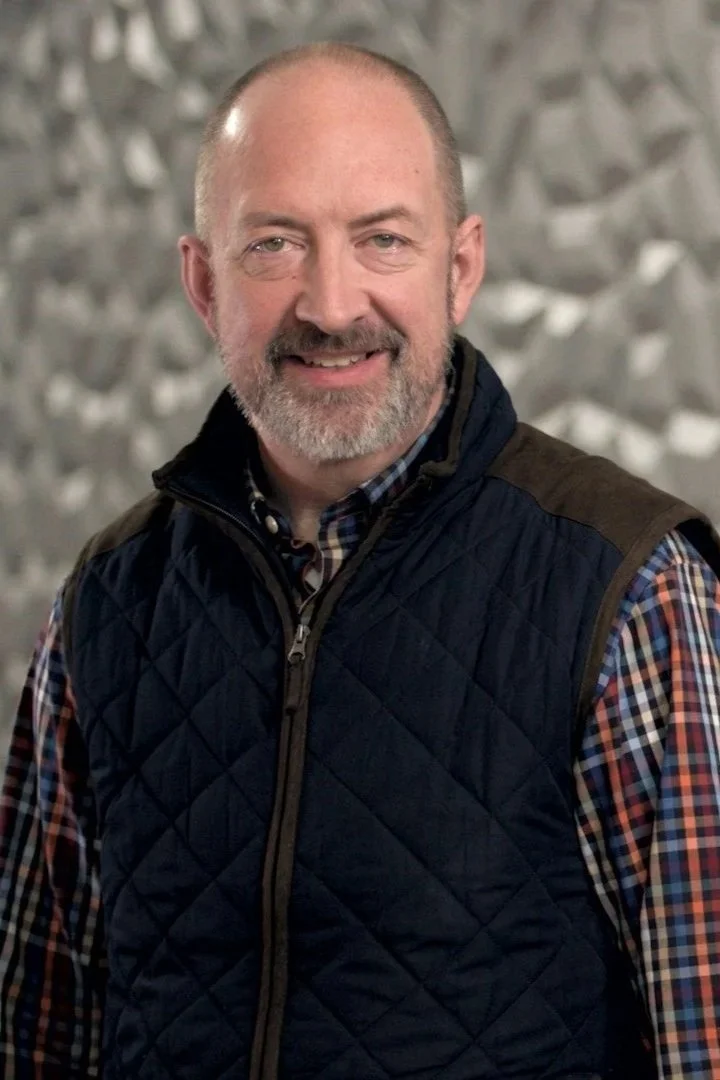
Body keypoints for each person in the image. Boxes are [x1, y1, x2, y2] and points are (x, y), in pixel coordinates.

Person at [1, 40, 720, 1080]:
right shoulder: (106, 608)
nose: (332, 305)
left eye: (382, 240)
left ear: (460, 268)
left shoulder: (631, 590)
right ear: (203, 283)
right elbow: (35, 1040)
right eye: (275, 245)